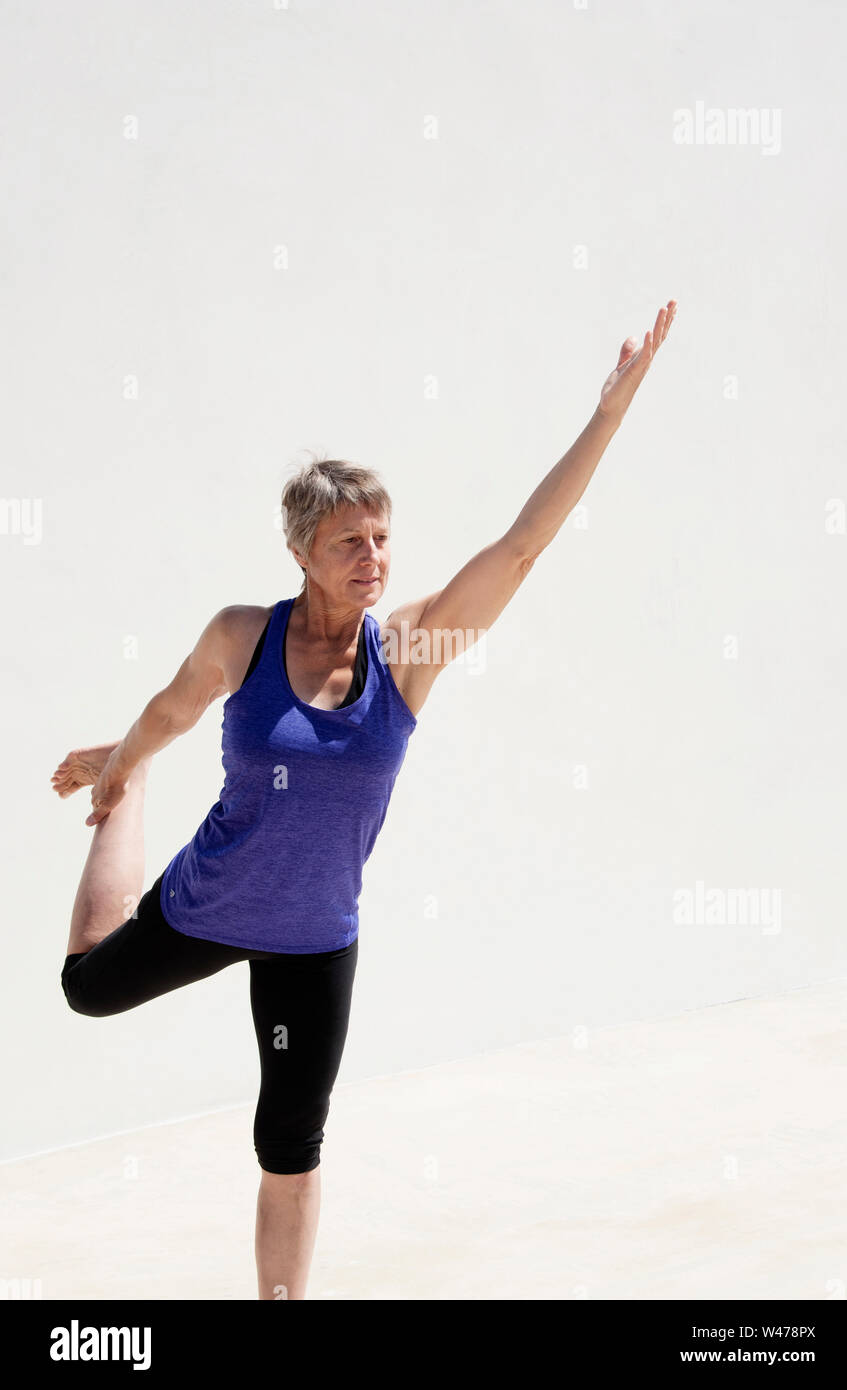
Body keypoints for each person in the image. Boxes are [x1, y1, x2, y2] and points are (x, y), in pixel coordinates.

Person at [50, 301, 677, 1300]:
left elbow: (520, 547)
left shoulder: (408, 652)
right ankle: (127, 804)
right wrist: (119, 765)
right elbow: (171, 710)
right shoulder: (242, 636)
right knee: (85, 988)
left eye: (381, 539)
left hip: (309, 936)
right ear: (302, 551)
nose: (372, 558)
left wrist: (606, 413)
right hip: (210, 901)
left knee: (289, 1142)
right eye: (348, 540)